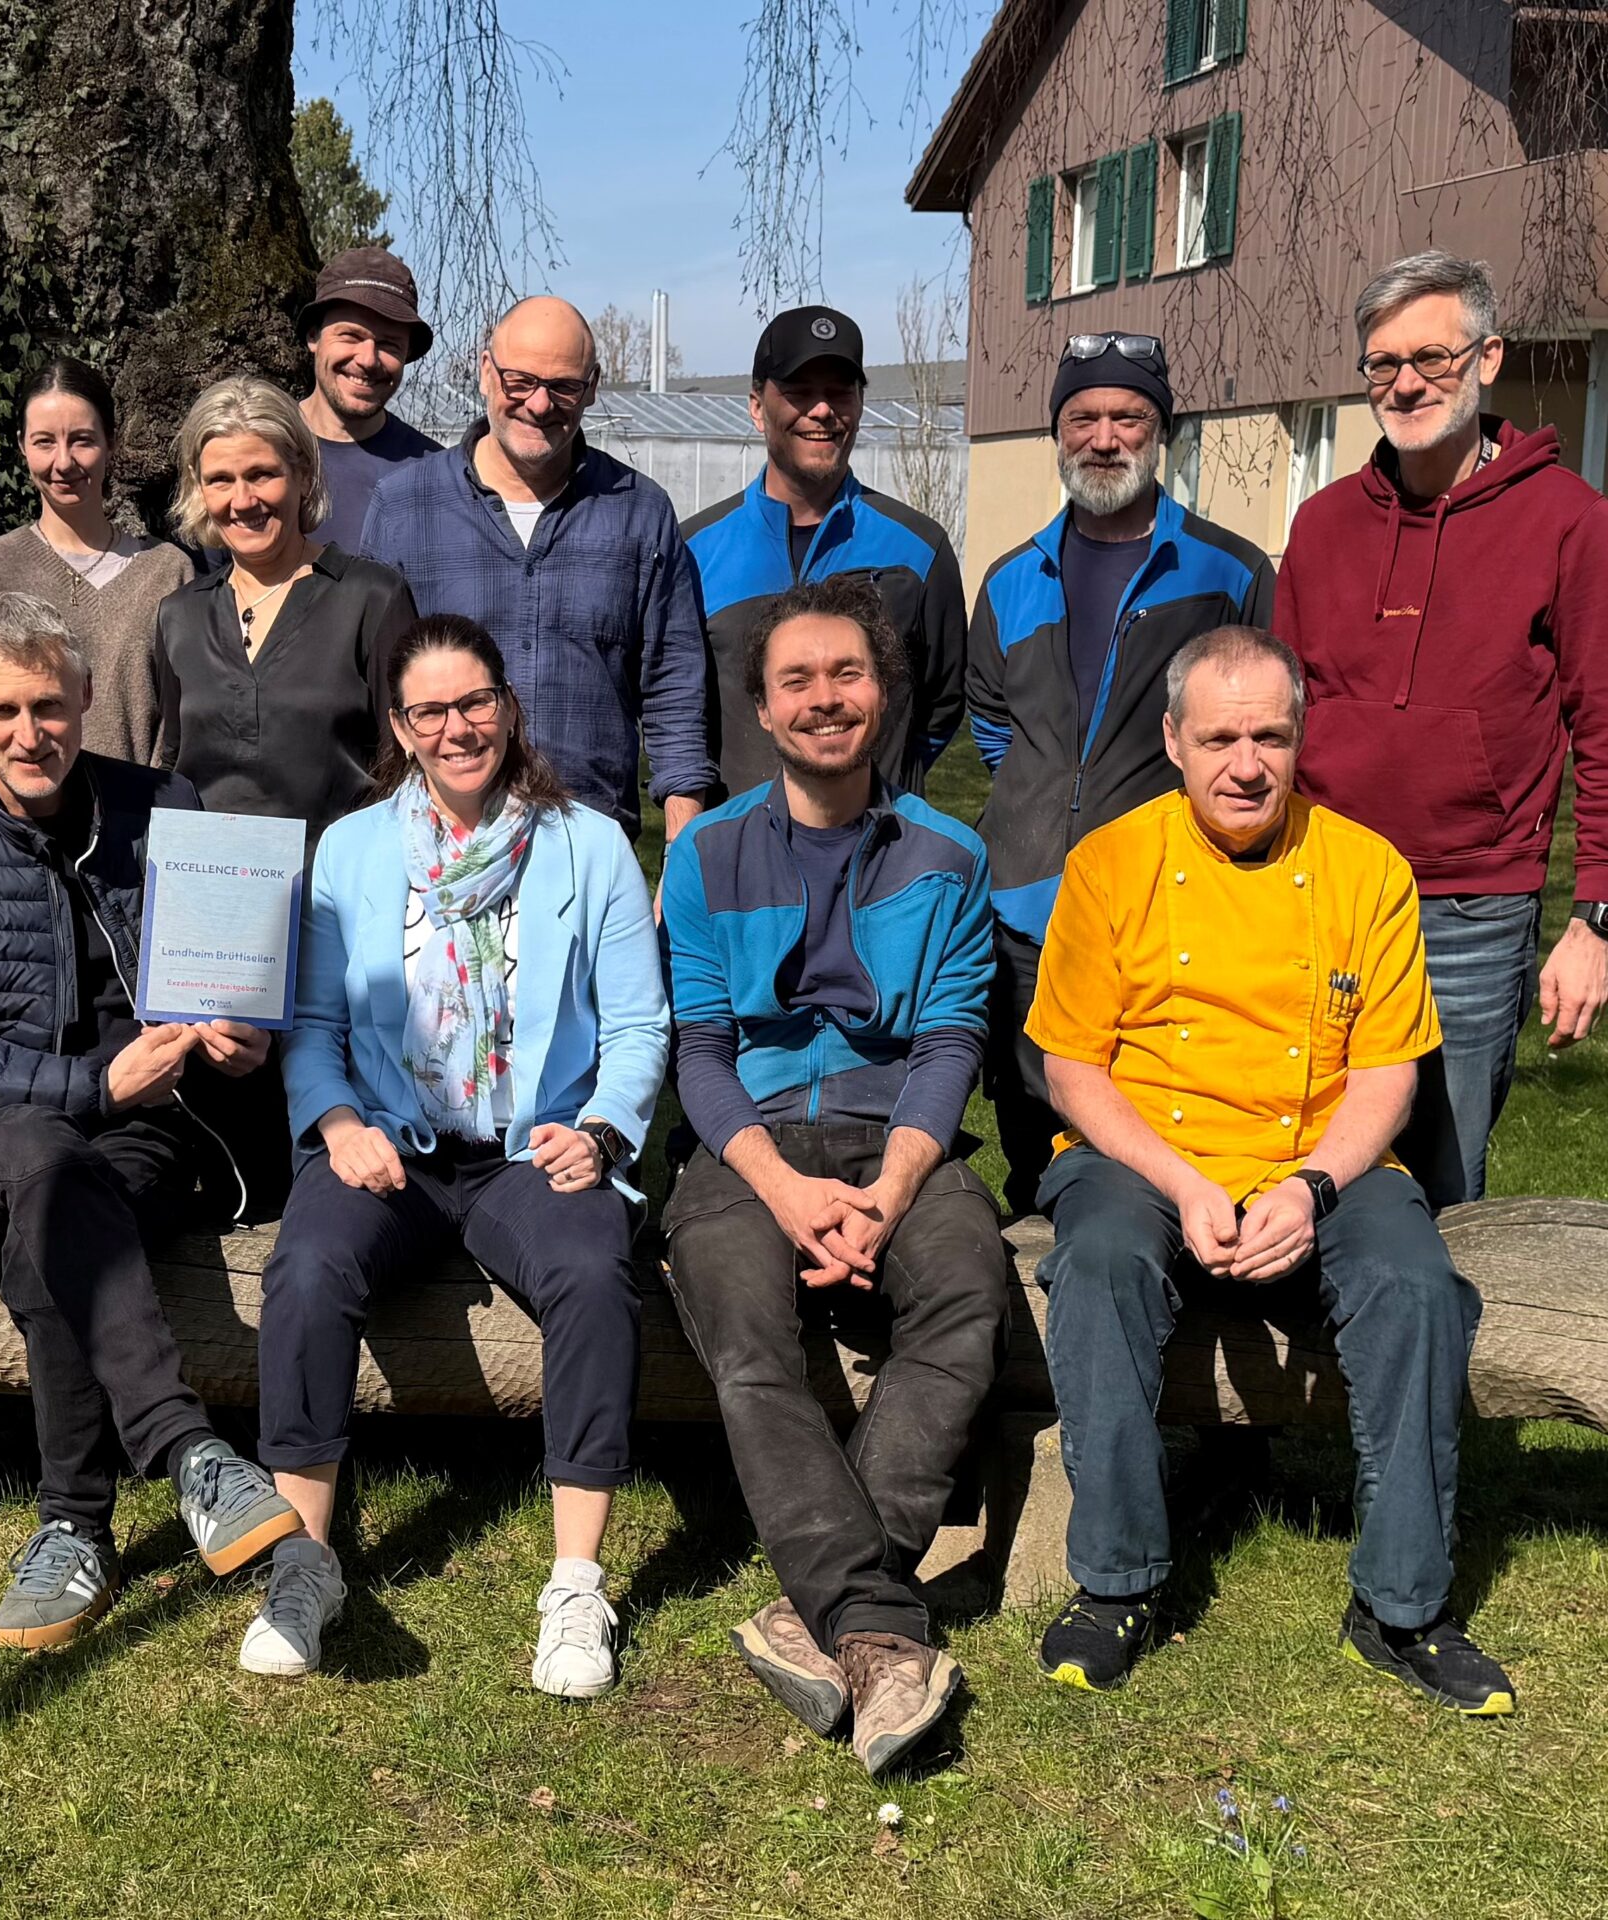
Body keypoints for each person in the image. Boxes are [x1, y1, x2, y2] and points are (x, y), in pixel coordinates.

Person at [1026, 627, 1511, 1714]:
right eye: (1219, 738)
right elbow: (1070, 1067)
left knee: (1419, 1288)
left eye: (1270, 737)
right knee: (1098, 1264)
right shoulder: (1110, 863)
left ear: (1301, 741)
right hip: (1139, 1150)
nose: (1245, 764)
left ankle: (1401, 1607)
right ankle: (1117, 1584)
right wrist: (1187, 1183)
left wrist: (1313, 1188)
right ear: (1171, 743)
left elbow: (1388, 1073)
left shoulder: (1365, 868)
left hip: (1322, 1149)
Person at [0, 592, 301, 1649]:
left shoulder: (165, 810)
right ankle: (187, 1450)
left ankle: (72, 1525)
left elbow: (221, 982)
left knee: (52, 1225)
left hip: (147, 1130)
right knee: (44, 1155)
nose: (29, 734)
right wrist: (93, 1088)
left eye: (49, 706)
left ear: (89, 698)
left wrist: (240, 1034)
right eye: (1, 711)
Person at [242, 614, 668, 1696]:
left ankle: (576, 1583)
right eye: (429, 710)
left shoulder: (588, 844)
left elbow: (637, 1026)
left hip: (532, 1149)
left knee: (588, 1270)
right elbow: (312, 1024)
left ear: (506, 706)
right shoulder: (351, 850)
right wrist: (338, 1126)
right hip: (391, 1144)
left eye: (474, 701)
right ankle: (306, 1563)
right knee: (303, 1268)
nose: (457, 726)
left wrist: (603, 1127)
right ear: (399, 725)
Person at [660, 574, 1008, 1776]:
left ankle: (828, 1613)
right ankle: (878, 1622)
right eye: (796, 680)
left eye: (846, 675)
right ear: (760, 710)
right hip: (747, 1143)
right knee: (744, 1325)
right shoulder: (702, 855)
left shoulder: (946, 853)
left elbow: (949, 1041)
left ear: (885, 692)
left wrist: (890, 1192)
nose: (824, 699)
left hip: (896, 1136)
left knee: (968, 1292)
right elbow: (699, 1052)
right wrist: (784, 1190)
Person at [1277, 249, 1608, 1208]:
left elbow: (1601, 724)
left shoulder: (1570, 521)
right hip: (1325, 888)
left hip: (1471, 905)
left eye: (1434, 357)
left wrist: (1593, 920)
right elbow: (1285, 714)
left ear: (1489, 357)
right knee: (1308, 1149)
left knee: (1448, 1176)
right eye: (1382, 364)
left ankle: (1445, 1352)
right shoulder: (1322, 523)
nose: (1407, 382)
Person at [968, 334, 1274, 1213]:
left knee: (1149, 1134)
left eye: (1128, 417)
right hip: (1022, 912)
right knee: (1033, 1135)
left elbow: (1256, 731)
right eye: (1084, 418)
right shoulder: (1010, 578)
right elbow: (994, 723)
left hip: (1159, 911)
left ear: (1161, 430)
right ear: (1058, 434)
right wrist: (1050, 795)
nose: (1105, 438)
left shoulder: (1228, 572)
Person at [361, 297, 714, 844]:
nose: (539, 404)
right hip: (441, 843)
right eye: (519, 381)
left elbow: (675, 687)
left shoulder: (640, 513)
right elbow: (376, 689)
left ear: (593, 387)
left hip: (589, 841)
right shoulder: (405, 507)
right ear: (485, 371)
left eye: (564, 387)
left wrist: (683, 846)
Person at [684, 305, 968, 800]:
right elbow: (676, 707)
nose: (822, 410)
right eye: (798, 392)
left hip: (881, 852)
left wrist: (885, 775)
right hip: (738, 854)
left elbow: (941, 705)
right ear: (756, 406)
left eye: (839, 392)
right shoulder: (694, 551)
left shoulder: (919, 549)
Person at [152, 374, 419, 848]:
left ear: (303, 474)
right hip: (210, 896)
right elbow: (174, 769)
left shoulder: (370, 597)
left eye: (262, 474)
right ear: (199, 491)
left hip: (336, 898)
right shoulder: (179, 616)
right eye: (221, 481)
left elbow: (406, 764)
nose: (243, 501)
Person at [0, 356, 193, 767]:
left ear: (111, 442)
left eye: (82, 439)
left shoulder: (167, 570)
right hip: (24, 817)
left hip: (139, 816)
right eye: (44, 441)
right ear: (21, 445)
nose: (63, 462)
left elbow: (182, 719)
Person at [295, 246, 441, 556]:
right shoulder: (256, 451)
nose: (368, 360)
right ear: (313, 337)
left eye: (389, 344)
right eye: (351, 336)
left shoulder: (436, 476)